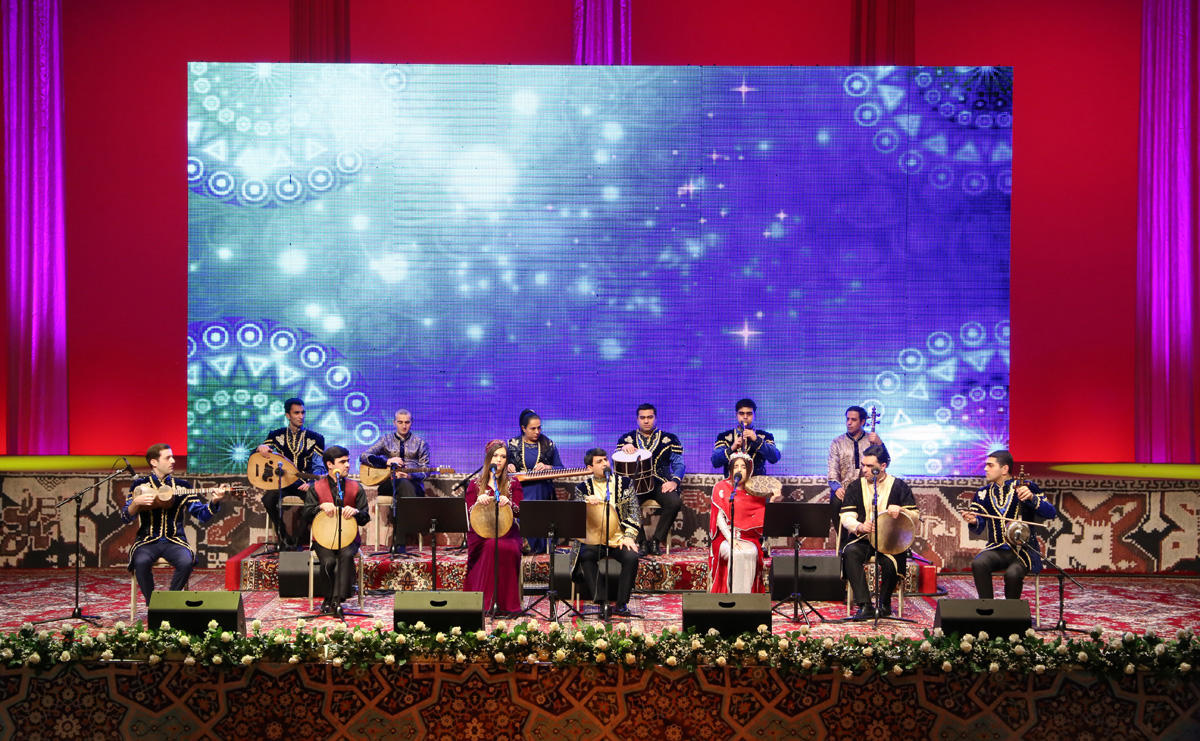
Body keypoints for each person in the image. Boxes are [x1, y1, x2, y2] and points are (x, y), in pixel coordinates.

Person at [123, 443, 226, 604]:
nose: (173, 461)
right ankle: (154, 605)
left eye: (172, 457)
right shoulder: (140, 485)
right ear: (154, 462)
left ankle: (169, 603)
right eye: (168, 458)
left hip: (175, 540)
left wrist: (214, 501)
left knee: (186, 562)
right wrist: (135, 503)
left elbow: (202, 515)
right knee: (141, 562)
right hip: (147, 541)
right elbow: (126, 517)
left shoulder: (182, 486)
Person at [839, 445, 918, 619]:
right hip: (863, 539)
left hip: (890, 541)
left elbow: (915, 516)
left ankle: (884, 604)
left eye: (869, 466)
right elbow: (846, 516)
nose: (864, 470)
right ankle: (865, 605)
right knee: (850, 553)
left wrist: (901, 511)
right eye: (863, 465)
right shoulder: (855, 486)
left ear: (883, 466)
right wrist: (859, 526)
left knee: (891, 563)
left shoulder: (899, 486)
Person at [964, 450, 1056, 600]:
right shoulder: (983, 493)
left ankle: (1011, 612)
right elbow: (979, 526)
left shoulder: (1027, 487)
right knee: (979, 563)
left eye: (990, 465)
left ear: (1004, 469)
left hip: (1023, 551)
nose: (985, 469)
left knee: (1013, 574)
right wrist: (974, 521)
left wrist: (1032, 498)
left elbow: (1051, 513)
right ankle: (987, 608)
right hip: (996, 548)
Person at [569, 448, 641, 616]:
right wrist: (585, 501)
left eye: (605, 460)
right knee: (586, 556)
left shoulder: (625, 483)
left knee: (631, 557)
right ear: (590, 468)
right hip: (594, 539)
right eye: (599, 461)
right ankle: (602, 602)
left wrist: (629, 537)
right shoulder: (583, 488)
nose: (604, 464)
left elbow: (635, 512)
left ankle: (622, 604)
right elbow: (575, 516)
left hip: (619, 538)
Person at [302, 446, 370, 613]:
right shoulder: (316, 487)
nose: (347, 465)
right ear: (330, 465)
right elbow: (306, 515)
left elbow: (365, 517)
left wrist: (356, 511)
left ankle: (337, 600)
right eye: (342, 462)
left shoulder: (356, 487)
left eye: (348, 461)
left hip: (349, 538)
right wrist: (319, 507)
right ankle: (328, 597)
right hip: (323, 538)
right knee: (329, 561)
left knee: (346, 555)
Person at [464, 440, 525, 615]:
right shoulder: (475, 484)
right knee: (491, 546)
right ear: (488, 458)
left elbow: (520, 511)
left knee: (505, 547)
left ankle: (506, 604)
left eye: (503, 457)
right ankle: (486, 602)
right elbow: (468, 512)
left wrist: (509, 503)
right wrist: (478, 503)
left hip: (507, 532)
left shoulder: (513, 484)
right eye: (495, 456)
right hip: (481, 533)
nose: (499, 460)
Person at [616, 403, 685, 556]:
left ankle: (656, 541)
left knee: (674, 502)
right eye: (642, 418)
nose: (646, 421)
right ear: (637, 419)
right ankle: (640, 541)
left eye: (650, 417)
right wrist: (623, 450)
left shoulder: (670, 439)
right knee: (623, 502)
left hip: (660, 483)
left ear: (655, 418)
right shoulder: (626, 439)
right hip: (635, 485)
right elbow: (618, 465)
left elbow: (679, 464)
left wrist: (674, 481)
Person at [256, 397, 325, 548]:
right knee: (268, 499)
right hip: (283, 482)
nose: (301, 416)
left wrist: (312, 482)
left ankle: (297, 540)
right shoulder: (276, 435)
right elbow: (259, 456)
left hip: (303, 482)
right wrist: (260, 448)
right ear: (288, 415)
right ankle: (283, 535)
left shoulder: (316, 438)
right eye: (296, 413)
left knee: (314, 500)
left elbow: (319, 466)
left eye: (303, 412)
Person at [359, 409, 430, 555]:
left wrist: (410, 476)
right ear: (394, 423)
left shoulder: (421, 443)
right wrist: (386, 461)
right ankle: (416, 519)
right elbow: (364, 456)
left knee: (404, 485)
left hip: (412, 484)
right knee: (402, 486)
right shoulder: (386, 440)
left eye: (407, 422)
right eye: (400, 422)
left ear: (411, 423)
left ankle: (399, 543)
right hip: (389, 483)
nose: (404, 426)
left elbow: (426, 470)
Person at [708, 452, 772, 593]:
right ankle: (735, 597)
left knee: (750, 553)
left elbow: (764, 518)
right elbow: (719, 519)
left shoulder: (756, 492)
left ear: (749, 470)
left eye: (743, 467)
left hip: (749, 538)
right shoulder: (721, 487)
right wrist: (731, 539)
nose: (739, 470)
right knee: (736, 554)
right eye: (736, 466)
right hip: (725, 538)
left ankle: (746, 598)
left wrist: (774, 499)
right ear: (731, 470)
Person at [506, 409, 564, 555]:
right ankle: (523, 546)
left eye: (539, 428)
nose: (537, 431)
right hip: (519, 489)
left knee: (538, 492)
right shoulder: (512, 445)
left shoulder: (548, 444)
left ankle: (539, 548)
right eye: (533, 428)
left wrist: (548, 467)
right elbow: (499, 465)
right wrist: (508, 466)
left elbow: (561, 468)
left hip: (542, 490)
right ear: (523, 428)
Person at [827, 405, 885, 544]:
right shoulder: (837, 442)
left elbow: (885, 461)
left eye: (853, 420)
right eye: (847, 419)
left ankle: (869, 541)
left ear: (863, 421)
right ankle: (843, 543)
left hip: (867, 488)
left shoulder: (871, 440)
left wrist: (880, 444)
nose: (849, 423)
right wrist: (837, 487)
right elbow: (832, 468)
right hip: (845, 488)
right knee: (835, 501)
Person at [711, 398, 781, 477]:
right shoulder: (724, 437)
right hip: (732, 483)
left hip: (757, 483)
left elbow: (775, 458)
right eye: (741, 413)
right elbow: (715, 462)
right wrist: (732, 447)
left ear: (754, 415)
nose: (745, 417)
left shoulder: (765, 436)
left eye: (749, 414)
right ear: (736, 415)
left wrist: (757, 440)